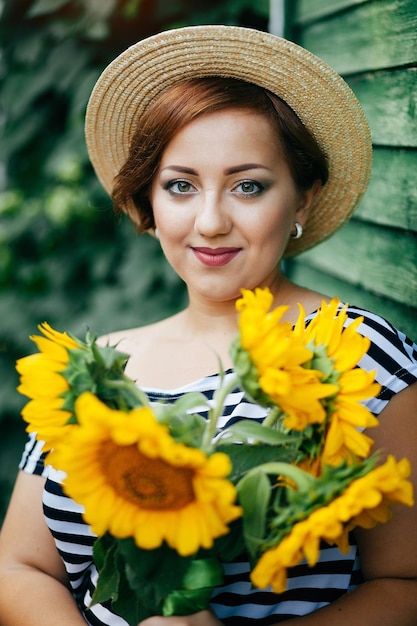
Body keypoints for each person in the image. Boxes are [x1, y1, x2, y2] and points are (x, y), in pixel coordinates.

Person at [0, 24, 416, 626]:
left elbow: (406, 581)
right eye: (180, 186)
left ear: (300, 201)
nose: (212, 221)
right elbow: (20, 567)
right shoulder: (91, 370)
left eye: (248, 186)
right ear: (150, 203)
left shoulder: (354, 353)